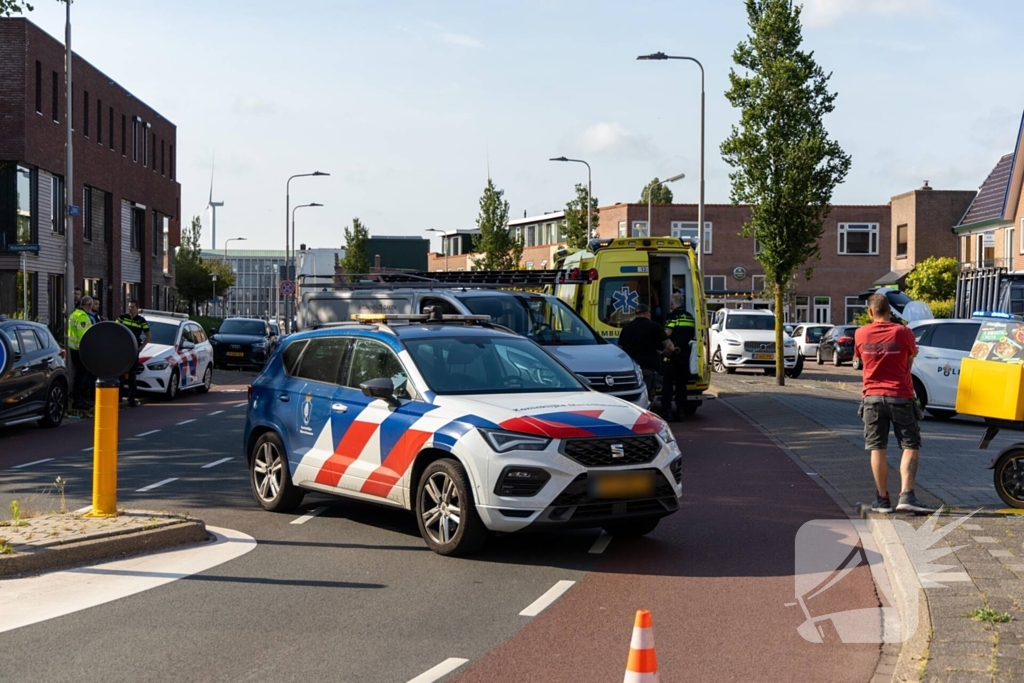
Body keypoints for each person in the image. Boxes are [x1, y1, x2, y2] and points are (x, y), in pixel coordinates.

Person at [854, 293, 933, 514]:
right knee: (910, 445)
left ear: (870, 312)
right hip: (901, 396)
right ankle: (906, 496)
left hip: (871, 398)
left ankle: (882, 499)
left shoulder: (861, 334)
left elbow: (861, 360)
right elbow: (909, 360)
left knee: (877, 448)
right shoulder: (904, 332)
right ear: (890, 311)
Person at [618, 304, 672, 403]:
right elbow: (670, 347)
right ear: (647, 313)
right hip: (649, 368)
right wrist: (663, 353)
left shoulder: (627, 327)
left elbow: (620, 348)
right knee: (648, 398)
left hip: (632, 369)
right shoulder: (654, 326)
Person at [661, 292, 696, 421]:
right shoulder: (690, 317)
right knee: (682, 384)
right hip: (685, 354)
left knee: (668, 384)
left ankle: (667, 411)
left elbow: (667, 334)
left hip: (673, 354)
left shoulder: (673, 317)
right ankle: (681, 411)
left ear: (672, 304)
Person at [117, 300, 150, 407]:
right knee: (120, 373)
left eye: (132, 307)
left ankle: (132, 398)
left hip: (133, 350)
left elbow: (148, 336)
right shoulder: (122, 317)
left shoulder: (141, 321)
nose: (130, 309)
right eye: (129, 307)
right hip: (122, 350)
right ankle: (119, 397)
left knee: (132, 375)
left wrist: (141, 347)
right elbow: (114, 328)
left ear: (137, 308)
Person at [67, 296, 94, 411]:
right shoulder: (82, 317)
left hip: (74, 349)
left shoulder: (74, 314)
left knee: (79, 376)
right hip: (81, 351)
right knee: (83, 377)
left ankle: (80, 400)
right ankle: (80, 401)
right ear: (89, 305)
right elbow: (85, 336)